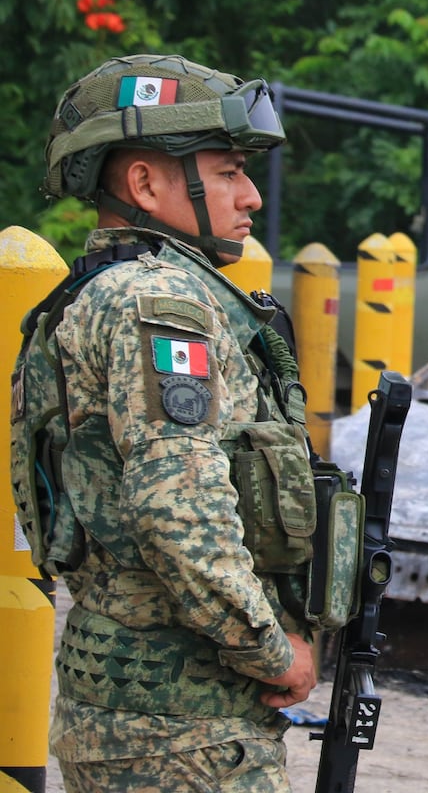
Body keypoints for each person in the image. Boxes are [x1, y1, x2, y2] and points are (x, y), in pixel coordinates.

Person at [12, 54, 322, 791]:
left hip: (146, 721)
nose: (250, 196)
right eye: (226, 172)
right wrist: (273, 649)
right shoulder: (158, 302)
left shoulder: (108, 291)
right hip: (184, 734)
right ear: (146, 183)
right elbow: (179, 507)